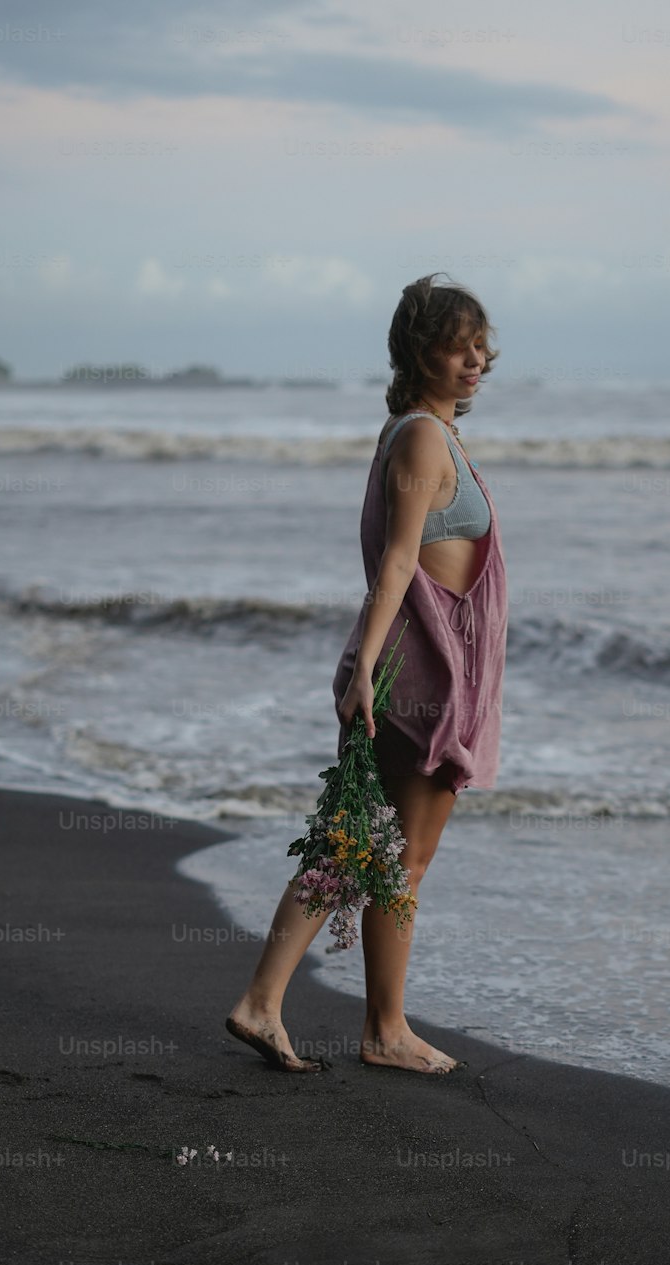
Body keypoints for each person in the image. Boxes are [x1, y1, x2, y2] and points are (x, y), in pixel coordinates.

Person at [226, 272, 508, 1075]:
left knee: (365, 845)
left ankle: (295, 1004)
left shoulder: (425, 433)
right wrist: (363, 680)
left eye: (481, 344)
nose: (476, 358)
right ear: (421, 350)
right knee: (388, 853)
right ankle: (372, 1026)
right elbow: (396, 567)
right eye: (459, 344)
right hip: (414, 674)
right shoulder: (421, 436)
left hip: (416, 670)